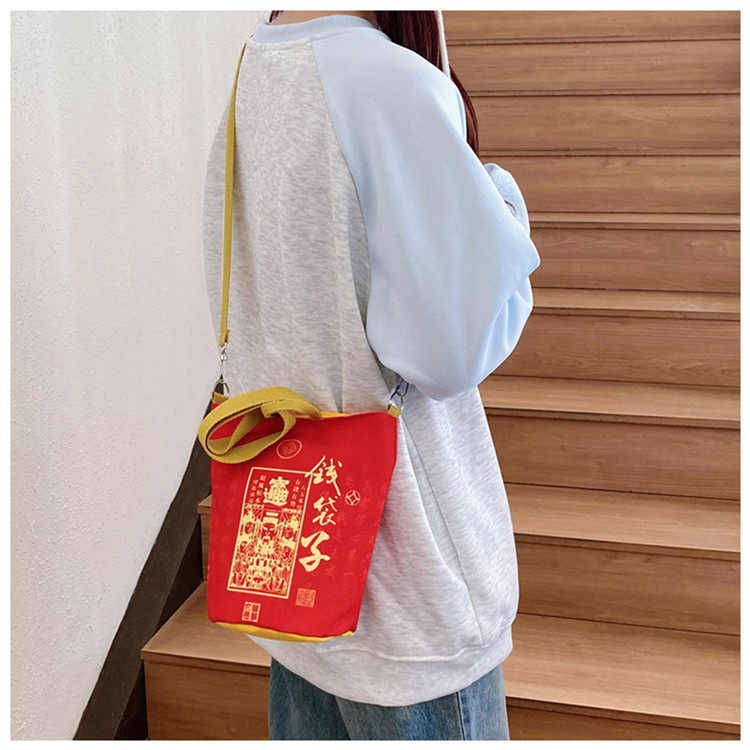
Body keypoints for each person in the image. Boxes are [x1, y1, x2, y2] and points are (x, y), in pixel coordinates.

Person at [202, 9, 541, 741]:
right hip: (410, 591)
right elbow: (449, 354)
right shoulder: (389, 83)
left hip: (298, 569)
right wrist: (500, 204)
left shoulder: (252, 68)